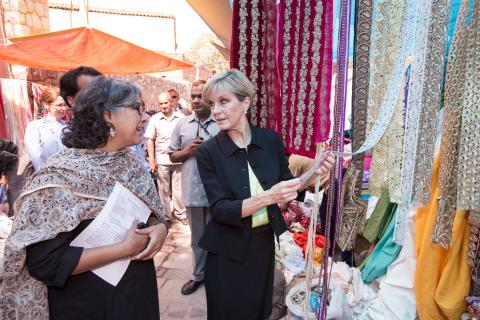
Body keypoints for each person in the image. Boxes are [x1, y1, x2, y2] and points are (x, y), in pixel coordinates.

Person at [1, 77, 168, 320]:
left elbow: (153, 215)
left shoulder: (131, 163)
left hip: (136, 295)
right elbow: (46, 263)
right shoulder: (60, 175)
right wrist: (123, 249)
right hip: (89, 305)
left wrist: (160, 228)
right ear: (108, 115)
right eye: (137, 109)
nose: (144, 117)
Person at [196, 69, 335, 320]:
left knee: (259, 311)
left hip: (261, 246)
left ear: (245, 102)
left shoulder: (269, 140)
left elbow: (288, 185)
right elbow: (220, 210)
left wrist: (315, 170)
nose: (215, 110)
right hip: (226, 250)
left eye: (223, 101)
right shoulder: (209, 152)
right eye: (212, 103)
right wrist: (269, 197)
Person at [168, 80, 219, 295]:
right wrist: (188, 151)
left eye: (200, 96)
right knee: (197, 239)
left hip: (218, 192)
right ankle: (197, 276)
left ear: (209, 98)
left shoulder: (221, 122)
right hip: (192, 192)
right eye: (193, 96)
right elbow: (171, 155)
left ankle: (217, 277)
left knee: (219, 237)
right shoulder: (181, 124)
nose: (196, 100)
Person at [145, 92, 187, 223]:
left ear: (171, 102)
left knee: (179, 188)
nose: (163, 106)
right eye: (161, 103)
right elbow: (150, 140)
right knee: (163, 190)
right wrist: (152, 160)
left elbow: (186, 138)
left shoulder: (181, 118)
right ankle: (166, 217)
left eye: (166, 102)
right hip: (162, 160)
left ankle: (181, 214)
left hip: (178, 158)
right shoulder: (155, 119)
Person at [23, 87, 67, 171]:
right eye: (59, 105)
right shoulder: (35, 126)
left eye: (65, 105)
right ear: (46, 104)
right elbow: (35, 155)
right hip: (46, 175)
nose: (64, 108)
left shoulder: (68, 126)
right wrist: (46, 174)